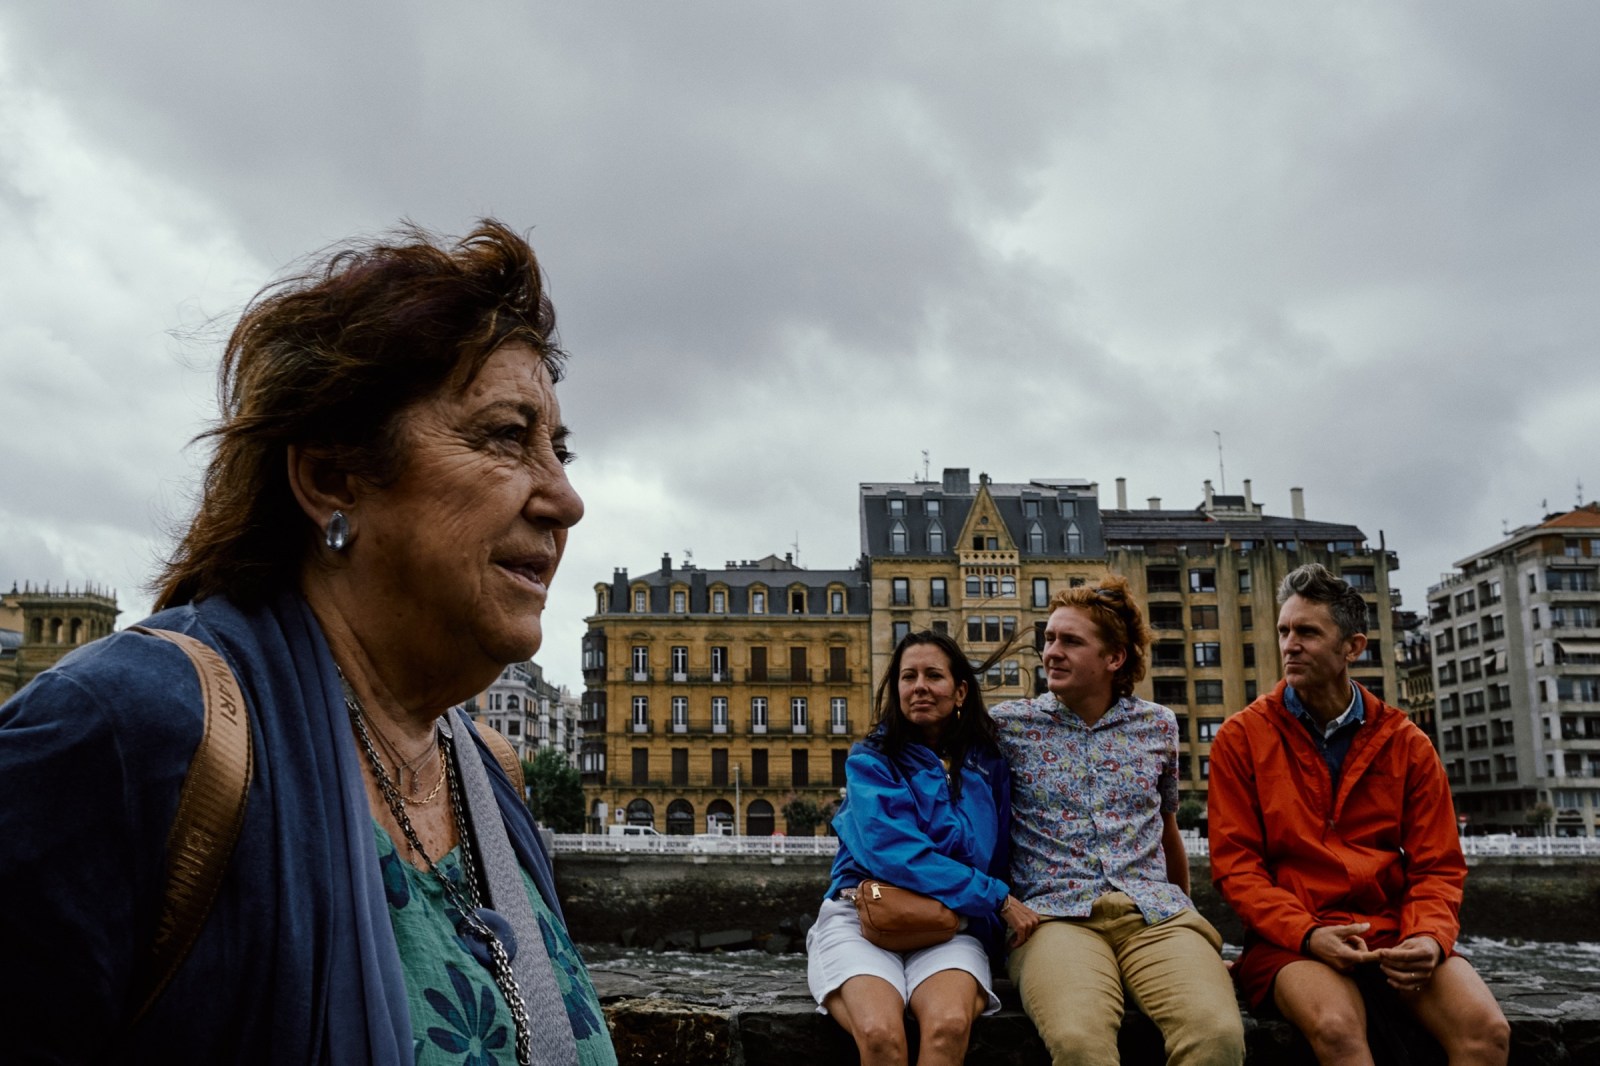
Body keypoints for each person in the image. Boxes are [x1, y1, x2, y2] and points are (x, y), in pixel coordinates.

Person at [0, 221, 616, 1065]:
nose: (565, 498)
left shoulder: (488, 773)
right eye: (507, 436)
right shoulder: (124, 732)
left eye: (561, 448)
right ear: (331, 479)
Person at [1208, 563, 1509, 1065]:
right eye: (1284, 630)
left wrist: (1428, 939)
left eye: (1307, 631)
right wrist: (1307, 932)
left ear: (1353, 647)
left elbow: (1438, 865)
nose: (1289, 644)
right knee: (1338, 1031)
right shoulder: (1242, 738)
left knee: (1487, 1032)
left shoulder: (1406, 743)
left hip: (1392, 932)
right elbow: (1236, 867)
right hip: (1292, 941)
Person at [991, 577, 1245, 1066]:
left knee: (1216, 1035)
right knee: (1080, 1043)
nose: (1052, 652)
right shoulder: (1008, 727)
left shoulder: (1157, 725)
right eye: (1049, 639)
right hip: (1055, 920)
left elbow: (1166, 830)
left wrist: (1188, 926)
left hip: (1155, 916)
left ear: (1114, 659)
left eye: (1070, 641)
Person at [808, 630, 1040, 1066]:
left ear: (960, 691)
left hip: (952, 925)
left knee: (948, 1027)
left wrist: (997, 930)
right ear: (895, 689)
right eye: (907, 676)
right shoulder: (870, 761)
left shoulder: (989, 763)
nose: (919, 686)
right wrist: (997, 898)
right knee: (880, 1036)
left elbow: (1000, 853)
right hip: (864, 916)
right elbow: (894, 853)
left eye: (934, 675)